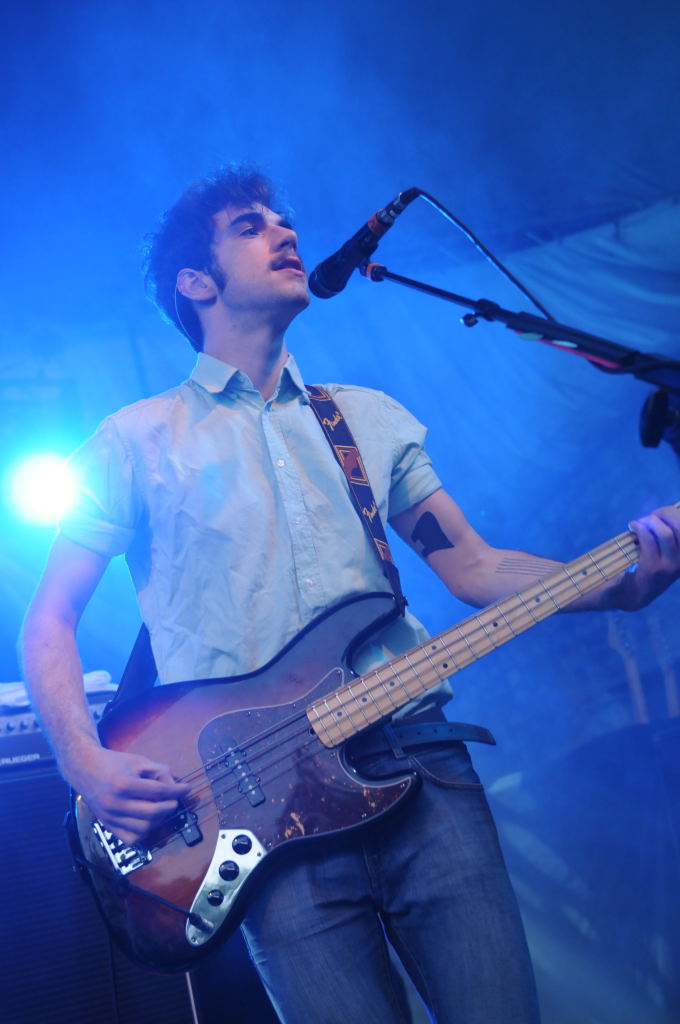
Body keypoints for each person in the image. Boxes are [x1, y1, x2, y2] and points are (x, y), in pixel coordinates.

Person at [20, 166, 680, 1024]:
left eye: (285, 219)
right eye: (251, 225)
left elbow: (476, 569)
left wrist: (621, 586)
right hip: (259, 816)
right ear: (196, 282)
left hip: (420, 765)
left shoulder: (364, 417)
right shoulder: (132, 441)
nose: (286, 232)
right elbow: (50, 619)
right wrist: (84, 762)